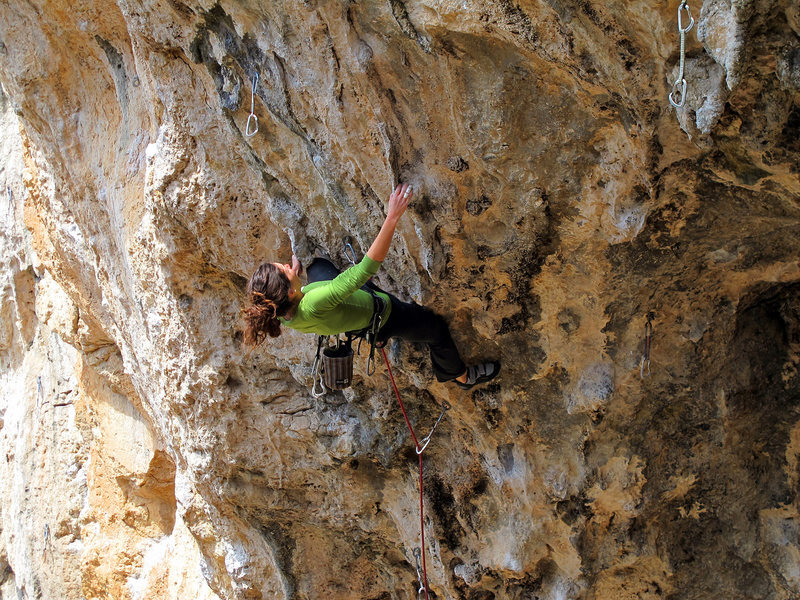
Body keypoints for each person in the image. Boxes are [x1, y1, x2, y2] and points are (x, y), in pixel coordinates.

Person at [243, 183, 500, 390]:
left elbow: (304, 287)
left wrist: (296, 273)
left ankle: (333, 280)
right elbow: (366, 269)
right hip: (384, 316)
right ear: (290, 293)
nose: (289, 266)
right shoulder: (314, 301)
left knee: (318, 266)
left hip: (343, 309)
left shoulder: (278, 315)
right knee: (436, 330)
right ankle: (460, 376)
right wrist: (392, 216)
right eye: (286, 270)